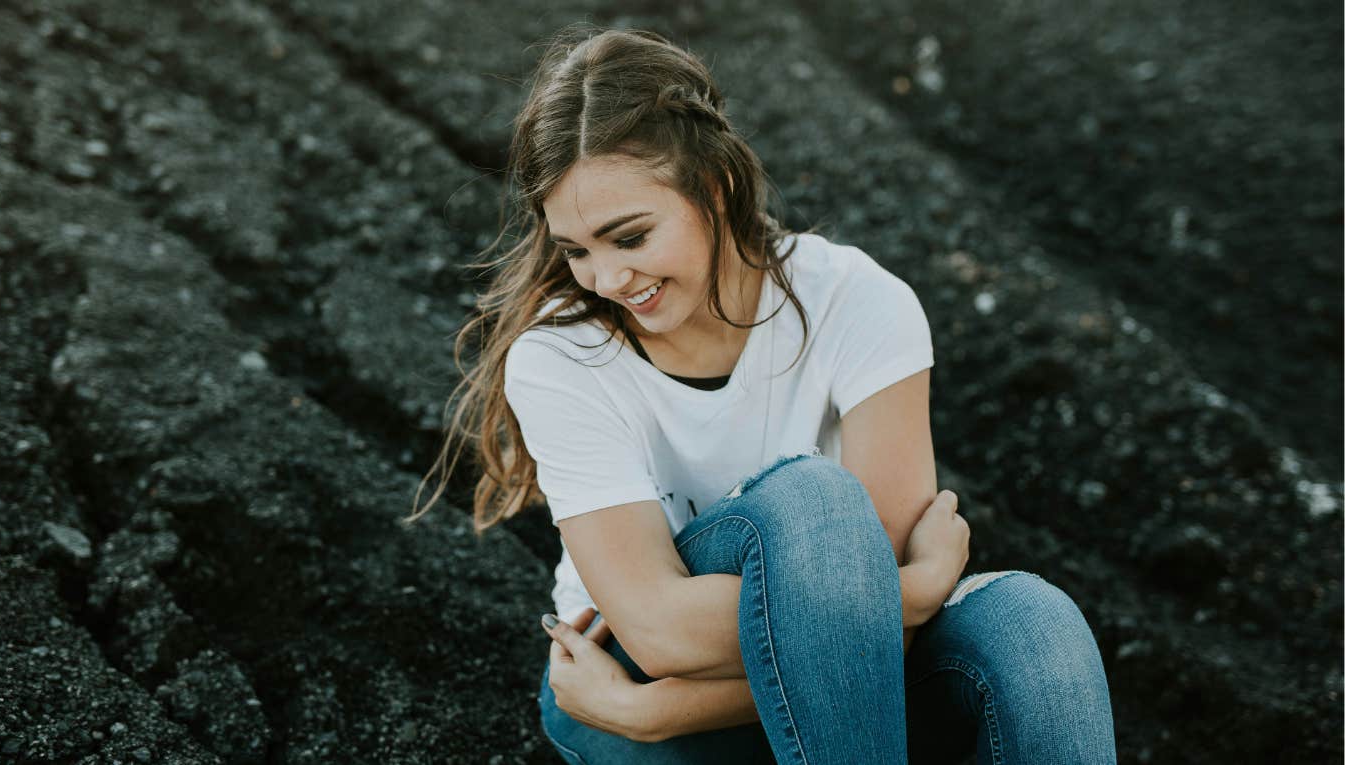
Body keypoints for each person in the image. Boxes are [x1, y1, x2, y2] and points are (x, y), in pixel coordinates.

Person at [408, 25, 1117, 765]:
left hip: (806, 690)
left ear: (713, 188)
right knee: (817, 505)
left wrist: (656, 710)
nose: (607, 279)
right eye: (576, 250)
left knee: (1033, 624)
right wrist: (908, 590)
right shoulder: (558, 360)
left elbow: (888, 640)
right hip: (636, 674)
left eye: (631, 237)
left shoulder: (857, 301)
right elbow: (659, 629)